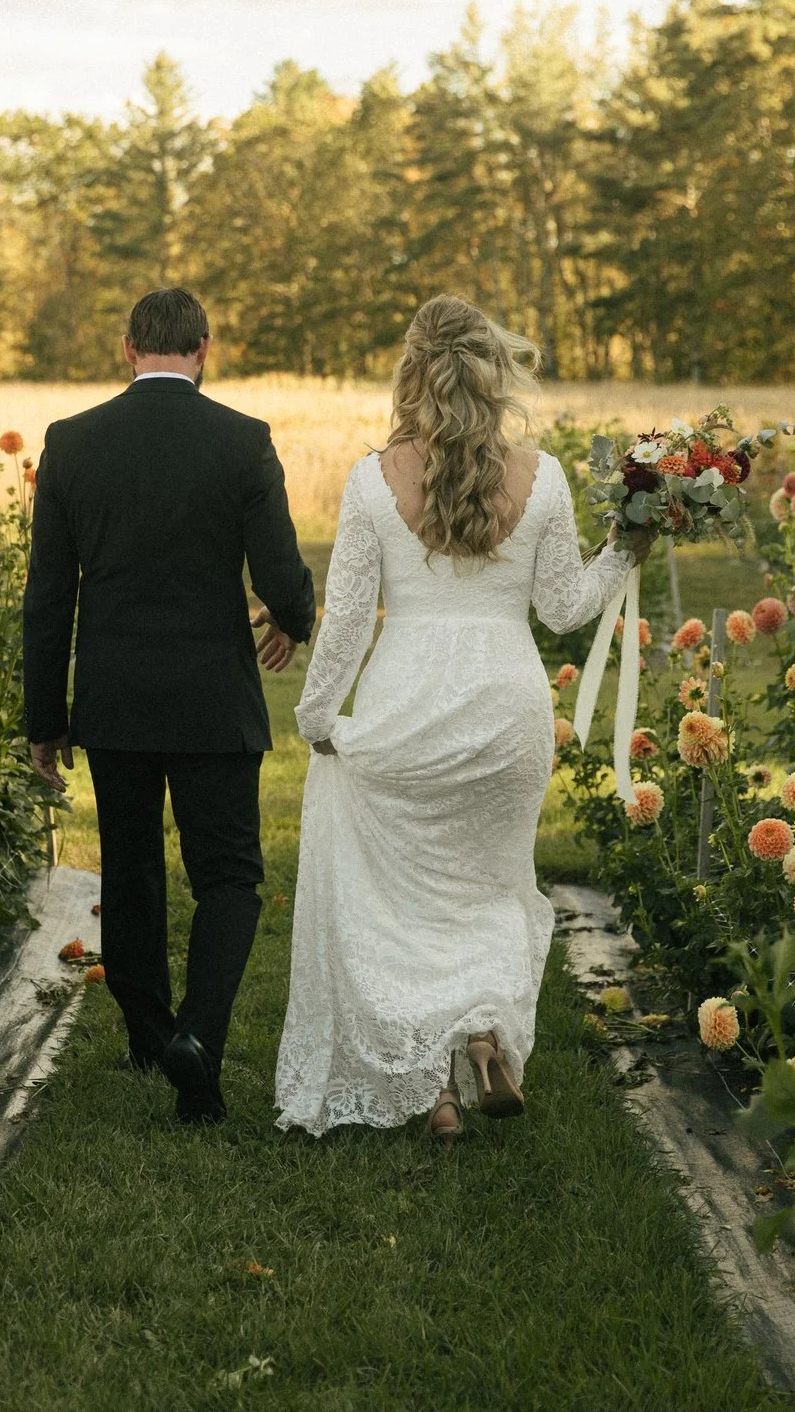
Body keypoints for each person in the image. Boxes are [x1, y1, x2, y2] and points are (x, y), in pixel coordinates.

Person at [276, 295, 646, 1143]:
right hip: (508, 715)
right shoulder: (542, 477)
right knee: (485, 888)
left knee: (406, 903)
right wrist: (629, 544)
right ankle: (479, 1038)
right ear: (493, 371)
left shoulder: (373, 480)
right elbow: (562, 608)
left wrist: (316, 714)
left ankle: (438, 1092)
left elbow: (346, 617)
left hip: (410, 708)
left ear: (412, 369)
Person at [22, 287, 318, 1125]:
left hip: (114, 697)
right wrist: (292, 620)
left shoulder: (72, 443)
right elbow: (282, 571)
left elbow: (47, 596)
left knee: (132, 865)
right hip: (213, 696)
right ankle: (201, 1038)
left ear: (128, 348)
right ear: (204, 348)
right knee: (228, 873)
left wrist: (46, 716)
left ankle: (152, 1035)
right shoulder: (242, 441)